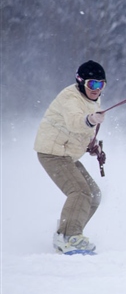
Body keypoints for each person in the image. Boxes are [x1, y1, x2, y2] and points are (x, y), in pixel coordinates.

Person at [34, 60, 106, 255]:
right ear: (81, 82)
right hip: (53, 153)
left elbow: (80, 131)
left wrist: (91, 145)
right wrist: (90, 120)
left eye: (101, 84)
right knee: (80, 192)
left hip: (67, 155)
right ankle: (68, 237)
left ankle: (69, 230)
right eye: (92, 84)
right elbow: (75, 122)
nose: (96, 89)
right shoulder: (70, 97)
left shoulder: (92, 100)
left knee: (94, 195)